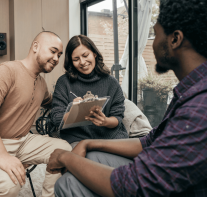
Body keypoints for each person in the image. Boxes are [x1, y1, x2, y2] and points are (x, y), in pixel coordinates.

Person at [47, 0, 207, 196]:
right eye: (76, 58)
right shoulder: (187, 93)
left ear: (175, 39)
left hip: (145, 184)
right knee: (85, 163)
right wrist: (87, 142)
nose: (152, 42)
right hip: (89, 142)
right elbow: (150, 141)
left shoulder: (198, 107)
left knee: (66, 184)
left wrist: (66, 158)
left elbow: (133, 185)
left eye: (154, 34)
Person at [0, 31, 72, 197]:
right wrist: (3, 156)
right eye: (53, 51)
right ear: (35, 46)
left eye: (59, 54)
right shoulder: (7, 70)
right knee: (9, 185)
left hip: (22, 141)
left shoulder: (41, 83)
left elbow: (54, 103)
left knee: (63, 150)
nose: (57, 58)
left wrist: (76, 104)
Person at [50, 35, 128, 148]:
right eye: (76, 59)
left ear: (94, 54)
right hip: (77, 138)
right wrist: (73, 112)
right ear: (71, 62)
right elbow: (56, 118)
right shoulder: (64, 82)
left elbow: (118, 118)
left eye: (86, 55)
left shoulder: (111, 82)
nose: (82, 62)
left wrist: (105, 121)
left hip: (110, 137)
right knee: (87, 160)